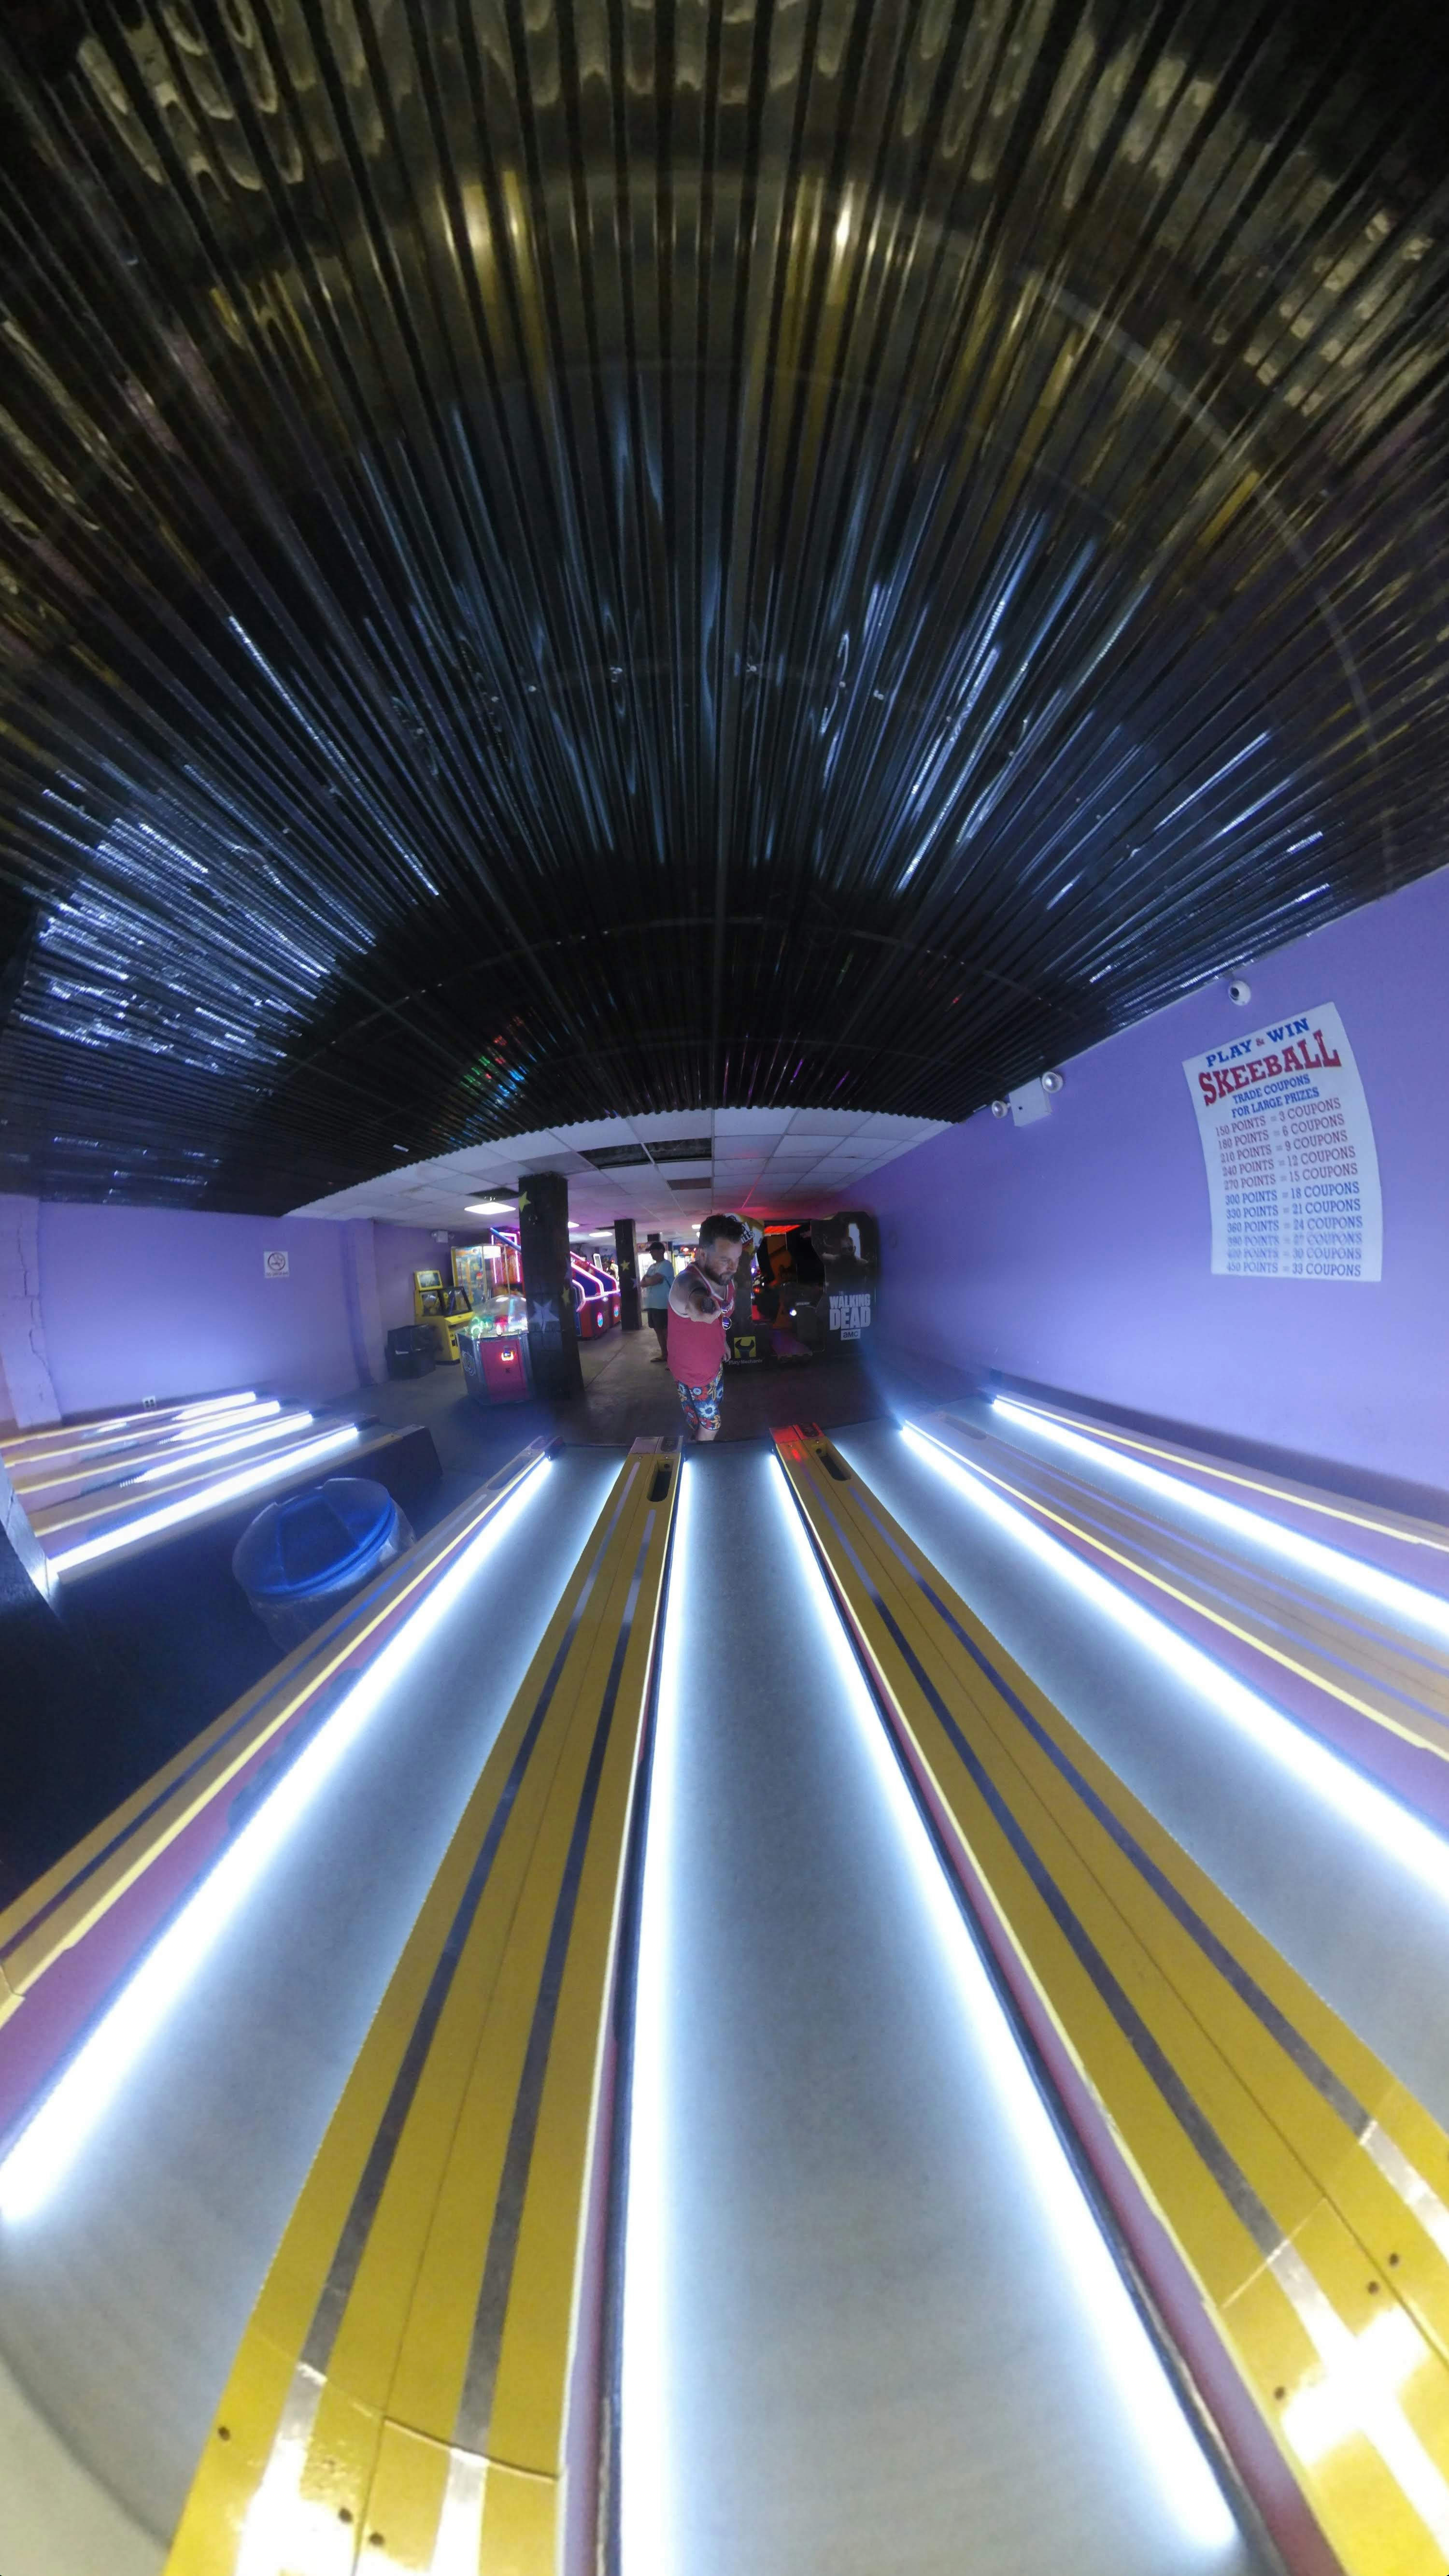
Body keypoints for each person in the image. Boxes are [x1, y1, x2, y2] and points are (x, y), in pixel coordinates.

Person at [668, 1213, 750, 1440]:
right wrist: (700, 1308)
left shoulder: (726, 1279)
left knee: (713, 1409)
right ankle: (700, 1467)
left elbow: (722, 1317)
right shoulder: (685, 1282)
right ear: (702, 1254)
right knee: (711, 1427)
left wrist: (722, 1340)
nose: (733, 1268)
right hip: (694, 1375)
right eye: (725, 1260)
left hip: (714, 1364)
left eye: (737, 1259)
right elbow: (692, 1298)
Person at [640, 1234, 675, 1361]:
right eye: (651, 1252)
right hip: (652, 1305)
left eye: (653, 1251)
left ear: (661, 1251)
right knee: (658, 1331)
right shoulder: (652, 1267)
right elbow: (643, 1282)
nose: (652, 1254)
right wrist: (649, 1280)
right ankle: (665, 1355)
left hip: (663, 1305)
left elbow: (656, 1280)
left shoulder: (666, 1265)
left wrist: (649, 1281)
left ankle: (673, 1358)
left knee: (666, 1332)